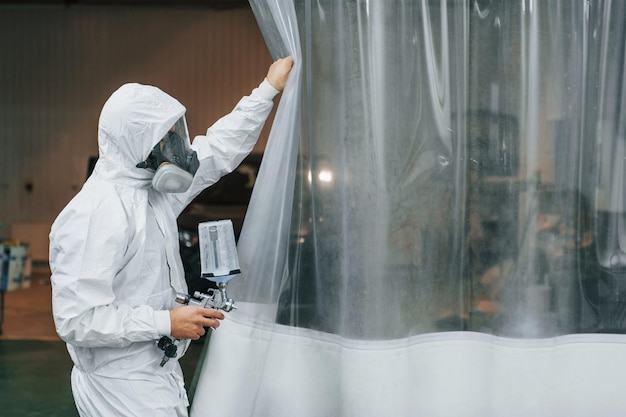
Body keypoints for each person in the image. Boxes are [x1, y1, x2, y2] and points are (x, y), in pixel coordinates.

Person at [49, 56, 294, 416]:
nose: (177, 147)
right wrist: (167, 321)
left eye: (175, 133)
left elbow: (218, 150)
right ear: (135, 143)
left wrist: (267, 90)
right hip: (121, 384)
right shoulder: (97, 214)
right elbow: (76, 319)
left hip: (153, 370)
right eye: (165, 138)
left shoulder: (150, 190)